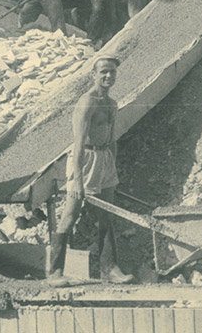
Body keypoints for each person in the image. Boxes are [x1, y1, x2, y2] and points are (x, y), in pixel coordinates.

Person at [47, 56, 134, 286]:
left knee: (106, 215)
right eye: (104, 72)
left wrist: (111, 167)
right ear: (93, 75)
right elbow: (77, 142)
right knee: (71, 214)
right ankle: (54, 271)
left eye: (112, 72)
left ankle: (110, 269)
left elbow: (112, 137)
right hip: (85, 159)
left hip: (104, 158)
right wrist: (76, 180)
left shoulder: (112, 103)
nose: (108, 76)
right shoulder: (87, 102)